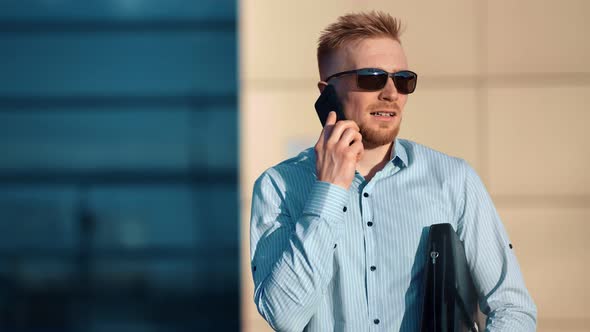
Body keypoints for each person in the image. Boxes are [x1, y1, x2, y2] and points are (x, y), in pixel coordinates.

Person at [249, 11, 537, 332]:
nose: (391, 93)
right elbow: (284, 316)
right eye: (371, 77)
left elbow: (512, 307)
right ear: (326, 92)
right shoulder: (278, 187)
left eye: (402, 80)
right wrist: (329, 190)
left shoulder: (454, 179)